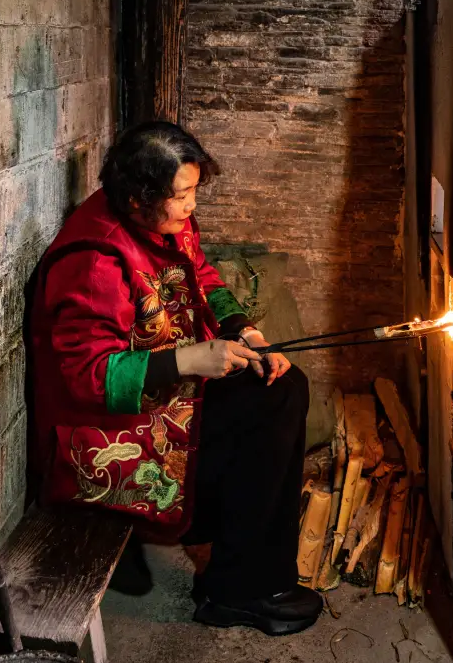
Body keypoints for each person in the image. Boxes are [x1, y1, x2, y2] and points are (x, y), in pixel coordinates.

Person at [30, 121, 322, 636]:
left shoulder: (164, 223)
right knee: (264, 408)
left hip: (167, 393)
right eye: (181, 195)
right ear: (139, 198)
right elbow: (86, 377)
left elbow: (202, 275)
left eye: (192, 192)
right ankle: (237, 592)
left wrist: (244, 330)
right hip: (108, 431)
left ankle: (246, 571)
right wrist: (189, 362)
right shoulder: (95, 259)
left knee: (281, 385)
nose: (191, 206)